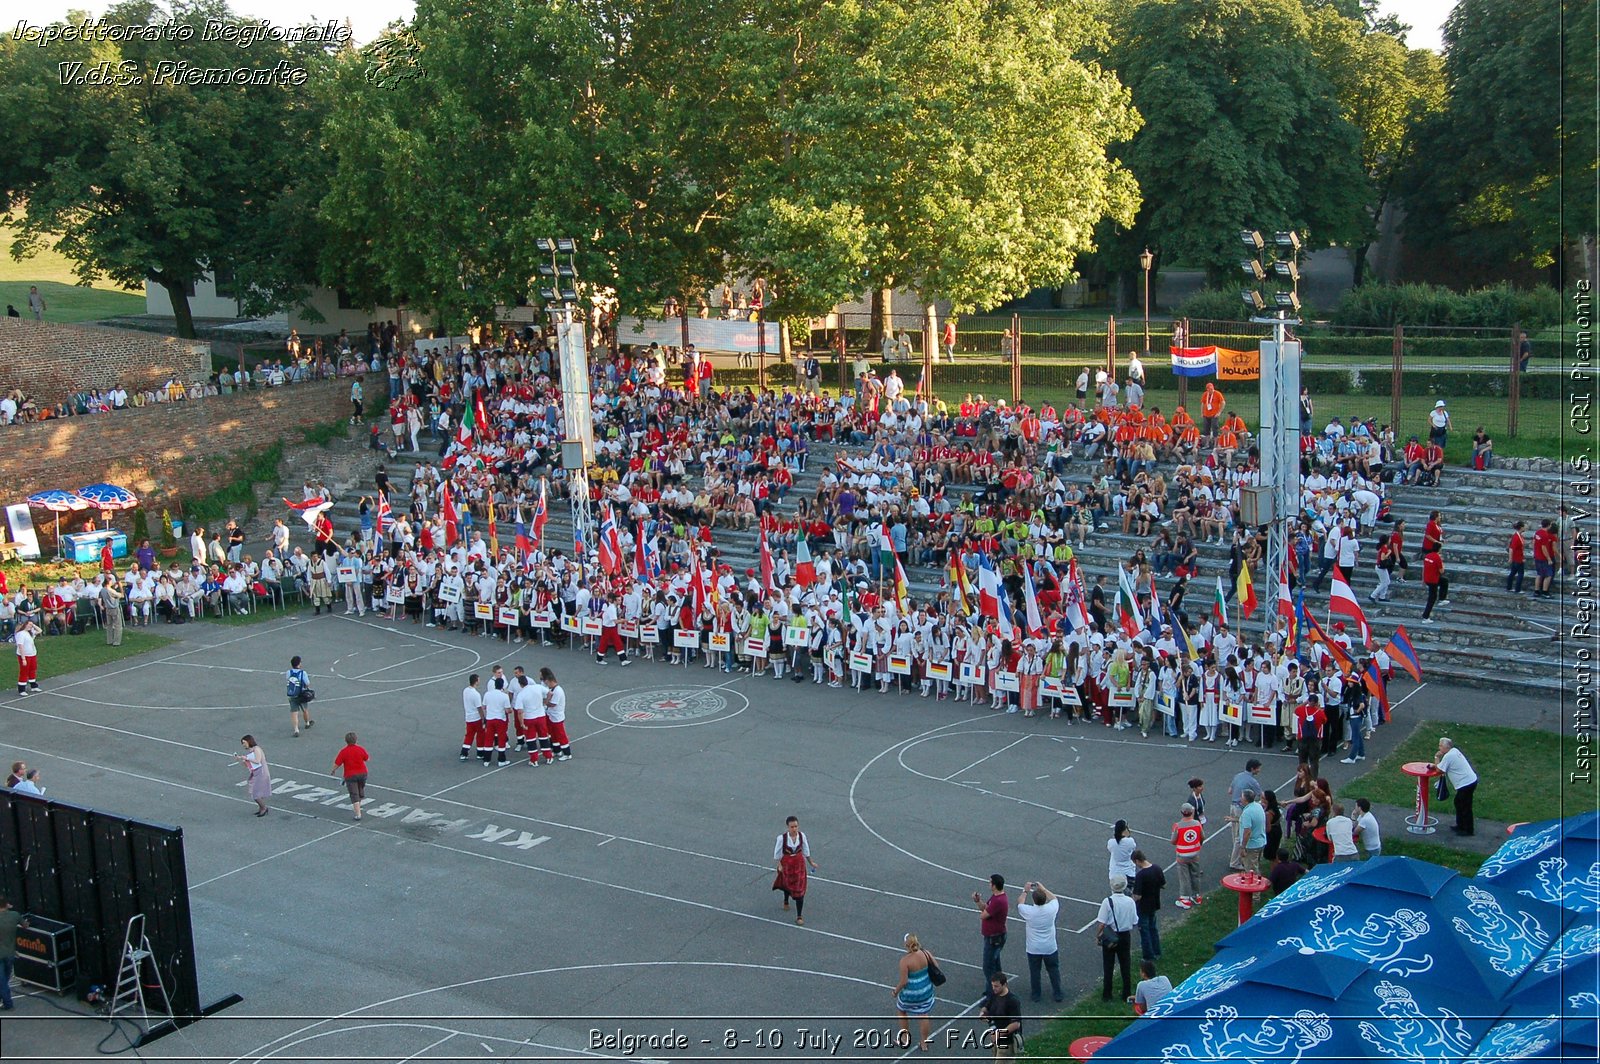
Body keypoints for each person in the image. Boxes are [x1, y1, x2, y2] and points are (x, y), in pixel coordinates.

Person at [1017, 881, 1063, 1003]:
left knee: (1035, 971)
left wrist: (1025, 891)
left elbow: (1020, 903)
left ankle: (1036, 994)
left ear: (1034, 900)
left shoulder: (1029, 912)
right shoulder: (1051, 909)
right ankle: (1057, 993)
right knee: (1053, 970)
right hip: (1050, 947)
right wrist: (1044, 888)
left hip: (1034, 948)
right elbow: (1054, 898)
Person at [892, 933, 937, 1052]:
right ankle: (924, 1043)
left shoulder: (904, 961)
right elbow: (936, 966)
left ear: (905, 945)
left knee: (901, 1011)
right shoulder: (926, 953)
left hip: (911, 994)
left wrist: (896, 991)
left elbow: (903, 981)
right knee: (924, 1014)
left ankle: (904, 1037)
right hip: (926, 991)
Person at [1096, 877, 1137, 1002]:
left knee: (1108, 965)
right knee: (1125, 964)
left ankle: (1107, 994)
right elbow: (1135, 921)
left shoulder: (1107, 902)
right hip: (1125, 936)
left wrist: (1098, 936)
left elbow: (1102, 923)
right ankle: (1126, 993)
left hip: (1110, 935)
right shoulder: (1130, 901)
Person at [772, 815, 818, 925]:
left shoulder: (802, 836)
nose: (794, 829)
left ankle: (799, 915)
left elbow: (806, 850)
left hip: (799, 866)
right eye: (792, 827)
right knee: (786, 884)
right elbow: (777, 854)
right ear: (788, 827)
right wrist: (779, 865)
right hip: (787, 865)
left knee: (799, 890)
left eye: (796, 826)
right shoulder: (781, 838)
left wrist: (811, 862)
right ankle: (786, 899)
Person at [1431, 737, 1479, 835]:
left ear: (1446, 747)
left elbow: (1439, 770)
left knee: (1464, 806)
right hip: (1470, 781)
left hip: (1466, 784)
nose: (1439, 748)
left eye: (1440, 746)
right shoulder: (1454, 751)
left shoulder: (1448, 756)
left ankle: (1468, 830)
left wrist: (1436, 758)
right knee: (1459, 803)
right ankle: (1461, 825)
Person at [973, 874, 1009, 990]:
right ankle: (1001, 987)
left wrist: (984, 910)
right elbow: (985, 908)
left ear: (994, 885)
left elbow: (984, 915)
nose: (989, 884)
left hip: (994, 938)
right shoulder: (995, 897)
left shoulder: (998, 900)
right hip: (994, 936)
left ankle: (992, 991)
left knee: (988, 967)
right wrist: (978, 901)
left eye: (990, 882)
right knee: (996, 964)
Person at [1226, 758, 1262, 870]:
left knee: (1235, 834)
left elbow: (1229, 791)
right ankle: (1235, 861)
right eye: (1258, 768)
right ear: (1253, 769)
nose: (1259, 770)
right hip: (1241, 808)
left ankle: (1236, 857)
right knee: (1239, 836)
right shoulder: (1252, 781)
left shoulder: (1238, 776)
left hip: (1233, 806)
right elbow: (1261, 794)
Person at [978, 973, 1023, 1062]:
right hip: (996, 1040)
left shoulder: (1012, 1001)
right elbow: (986, 1007)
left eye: (996, 986)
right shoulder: (995, 994)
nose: (994, 988)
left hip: (1007, 1043)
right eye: (993, 986)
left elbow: (1015, 1024)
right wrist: (982, 1014)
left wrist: (998, 1034)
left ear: (1005, 984)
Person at [1130, 850, 1166, 960]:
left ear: (1137, 861)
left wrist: (1131, 900)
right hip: (1154, 903)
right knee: (1153, 928)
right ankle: (1157, 951)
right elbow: (1163, 884)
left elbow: (1138, 896)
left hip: (1143, 906)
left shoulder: (1141, 875)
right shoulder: (1157, 868)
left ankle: (1148, 955)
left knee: (1144, 931)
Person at [1171, 803, 1204, 908]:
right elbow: (1202, 837)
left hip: (1182, 855)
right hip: (1194, 854)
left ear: (1182, 813)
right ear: (1192, 812)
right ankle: (1197, 896)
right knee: (1195, 875)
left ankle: (1185, 899)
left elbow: (1173, 841)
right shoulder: (1197, 824)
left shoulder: (1177, 826)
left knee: (1184, 877)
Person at [0, 897, 29, 1010]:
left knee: (2, 982)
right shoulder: (15, 915)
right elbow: (26, 925)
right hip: (10, 953)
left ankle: (8, 1004)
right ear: (7, 904)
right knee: (4, 979)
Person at [540, 667, 571, 761]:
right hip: (551, 715)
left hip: (557, 717)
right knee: (553, 734)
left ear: (549, 681)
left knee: (561, 735)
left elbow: (553, 704)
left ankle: (567, 753)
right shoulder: (553, 689)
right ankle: (557, 750)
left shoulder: (557, 690)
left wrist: (544, 702)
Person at [235, 735, 270, 816]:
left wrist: (246, 758)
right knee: (255, 792)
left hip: (261, 773)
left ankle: (264, 808)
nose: (243, 745)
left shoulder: (256, 749)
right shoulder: (251, 751)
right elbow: (246, 765)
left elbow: (257, 761)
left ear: (249, 741)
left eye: (244, 743)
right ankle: (261, 808)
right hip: (256, 773)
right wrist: (240, 760)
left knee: (255, 793)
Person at [1237, 790, 1267, 876]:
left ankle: (1255, 888)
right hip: (1261, 841)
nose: (1240, 799)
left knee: (1251, 871)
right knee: (1255, 865)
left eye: (1242, 797)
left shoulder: (1247, 812)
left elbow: (1247, 831)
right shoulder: (1258, 806)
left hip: (1251, 845)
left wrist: (1243, 847)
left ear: (1245, 800)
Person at [286, 655, 315, 737]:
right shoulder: (303, 673)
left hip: (292, 694)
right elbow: (307, 683)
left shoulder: (288, 672)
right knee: (305, 710)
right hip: (301, 694)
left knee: (294, 713)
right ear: (299, 664)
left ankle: (296, 729)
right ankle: (307, 723)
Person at [459, 673, 485, 761]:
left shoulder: (465, 690)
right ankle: (480, 753)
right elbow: (479, 708)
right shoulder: (476, 694)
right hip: (476, 718)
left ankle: (464, 753)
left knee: (469, 735)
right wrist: (483, 718)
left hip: (468, 717)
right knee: (480, 735)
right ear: (476, 681)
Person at [14, 618, 39, 696]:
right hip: (25, 655)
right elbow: (20, 646)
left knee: (32, 669)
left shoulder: (30, 632)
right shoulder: (21, 634)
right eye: (29, 624)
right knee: (24, 671)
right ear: (25, 625)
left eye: (31, 625)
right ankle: (21, 689)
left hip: (32, 654)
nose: (30, 626)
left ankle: (33, 685)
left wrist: (33, 625)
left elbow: (40, 630)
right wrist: (23, 658)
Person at [1106, 820, 1137, 885]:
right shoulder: (1130, 841)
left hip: (1115, 874)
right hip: (1128, 872)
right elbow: (1133, 847)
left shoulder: (1111, 842)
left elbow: (1110, 849)